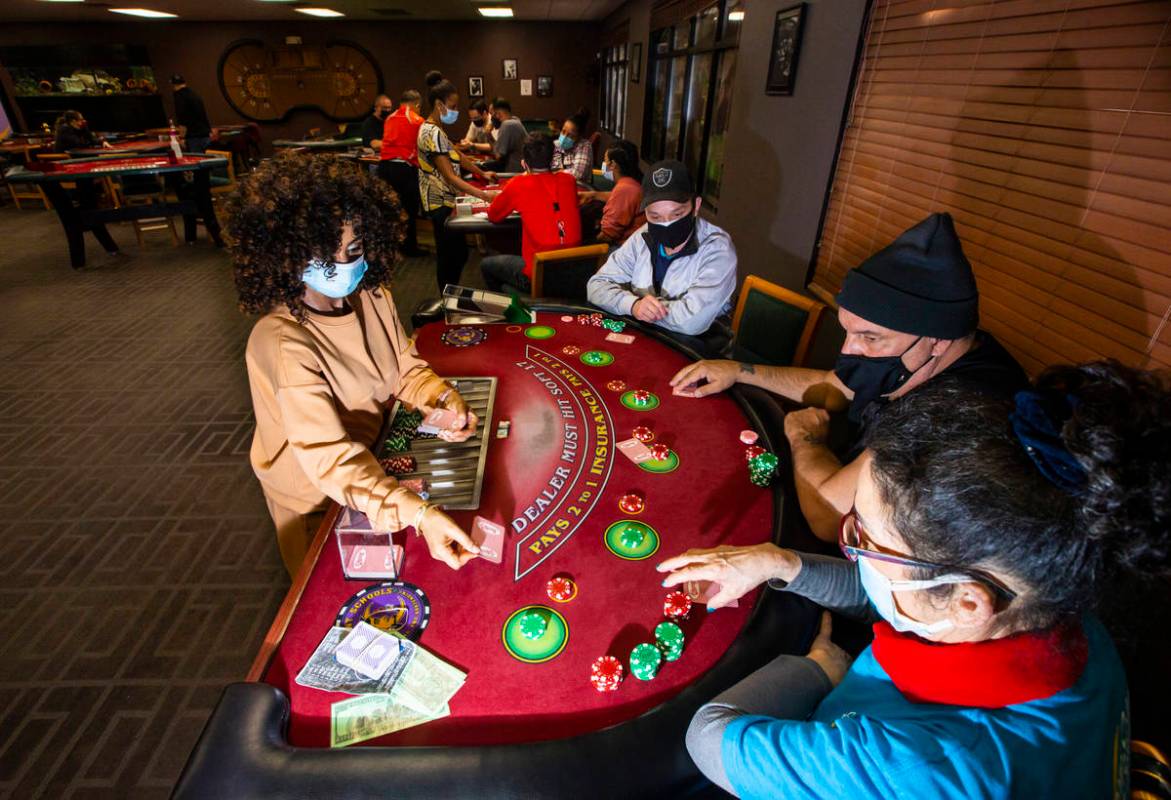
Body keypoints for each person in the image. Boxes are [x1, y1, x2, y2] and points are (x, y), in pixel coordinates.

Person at [662, 361, 1169, 799]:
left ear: (971, 603)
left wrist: (823, 668)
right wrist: (780, 564)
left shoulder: (919, 766)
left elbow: (710, 739)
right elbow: (913, 601)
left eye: (863, 539)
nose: (849, 543)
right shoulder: (1067, 619)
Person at [669, 212, 1028, 541]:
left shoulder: (962, 413)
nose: (848, 350)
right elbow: (837, 384)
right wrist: (738, 370)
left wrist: (804, 439)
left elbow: (829, 519)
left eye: (869, 338)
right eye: (847, 332)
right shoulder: (917, 353)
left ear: (936, 340)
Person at [225, 152, 482, 575]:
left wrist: (441, 397)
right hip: (315, 501)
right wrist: (416, 514)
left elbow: (404, 367)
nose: (346, 262)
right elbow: (330, 460)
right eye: (327, 251)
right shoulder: (282, 342)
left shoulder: (370, 294)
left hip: (373, 466)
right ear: (287, 253)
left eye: (355, 246)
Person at [587, 159, 737, 351]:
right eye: (655, 216)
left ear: (696, 205)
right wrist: (633, 305)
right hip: (648, 340)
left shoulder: (718, 249)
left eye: (676, 215)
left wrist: (640, 310)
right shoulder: (643, 235)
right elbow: (595, 286)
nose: (665, 224)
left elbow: (691, 322)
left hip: (700, 352)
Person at [417, 77, 498, 291]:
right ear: (439, 105)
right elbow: (450, 176)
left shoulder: (437, 129)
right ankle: (447, 297)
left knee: (458, 253)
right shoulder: (430, 132)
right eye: (452, 106)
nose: (456, 111)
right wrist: (484, 196)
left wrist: (483, 173)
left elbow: (457, 156)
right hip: (439, 203)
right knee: (448, 256)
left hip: (447, 201)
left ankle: (451, 292)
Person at [479, 133, 583, 295]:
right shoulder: (569, 181)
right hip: (574, 272)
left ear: (524, 162)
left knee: (486, 265)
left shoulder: (518, 184)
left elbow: (493, 215)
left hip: (539, 275)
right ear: (552, 159)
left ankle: (515, 308)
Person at [377, 89, 426, 257]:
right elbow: (422, 148)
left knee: (389, 210)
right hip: (403, 170)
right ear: (417, 105)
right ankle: (410, 248)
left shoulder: (389, 118)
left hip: (383, 168)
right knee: (409, 210)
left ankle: (389, 248)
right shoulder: (417, 120)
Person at [579, 139, 644, 246]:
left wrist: (580, 246)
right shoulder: (634, 182)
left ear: (613, 164)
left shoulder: (625, 190)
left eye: (605, 160)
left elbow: (607, 235)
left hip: (624, 248)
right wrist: (593, 195)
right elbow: (619, 198)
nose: (604, 164)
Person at [481, 98, 526, 174]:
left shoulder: (507, 125)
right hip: (521, 168)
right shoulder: (515, 120)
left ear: (498, 113)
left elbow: (498, 156)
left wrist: (488, 135)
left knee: (482, 169)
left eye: (492, 114)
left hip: (514, 172)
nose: (491, 119)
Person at [170, 74, 212, 153]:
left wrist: (182, 138)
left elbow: (182, 118)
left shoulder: (179, 96)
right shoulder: (194, 94)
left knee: (198, 161)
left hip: (193, 137)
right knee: (209, 161)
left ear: (174, 85)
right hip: (205, 134)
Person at [551, 109, 593, 183]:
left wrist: (555, 173)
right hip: (558, 185)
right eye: (563, 131)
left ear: (579, 137)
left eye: (570, 135)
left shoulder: (584, 145)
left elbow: (578, 174)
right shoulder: (556, 144)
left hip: (579, 188)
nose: (564, 137)